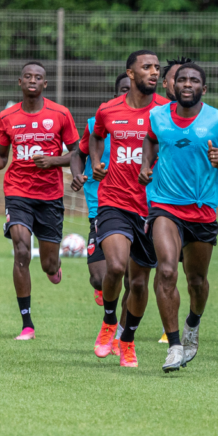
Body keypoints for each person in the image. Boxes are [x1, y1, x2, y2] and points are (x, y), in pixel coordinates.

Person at [140, 63, 218, 372]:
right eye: (182, 79)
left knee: (196, 282)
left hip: (202, 210)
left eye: (194, 80)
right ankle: (173, 346)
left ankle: (193, 323)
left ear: (204, 88)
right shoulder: (158, 116)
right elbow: (151, 139)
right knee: (168, 271)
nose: (187, 84)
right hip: (165, 205)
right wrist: (147, 165)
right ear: (173, 86)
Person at [80, 50, 169, 367]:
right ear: (130, 73)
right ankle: (108, 322)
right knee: (116, 267)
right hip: (115, 200)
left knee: (139, 282)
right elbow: (96, 135)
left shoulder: (167, 111)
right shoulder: (108, 110)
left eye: (157, 68)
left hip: (154, 205)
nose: (154, 72)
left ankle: (127, 340)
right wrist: (96, 162)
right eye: (147, 67)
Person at [0, 62, 79, 341]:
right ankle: (27, 323)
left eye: (38, 77)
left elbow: (77, 152)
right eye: (27, 76)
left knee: (48, 264)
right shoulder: (7, 117)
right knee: (21, 251)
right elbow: (3, 155)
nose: (32, 80)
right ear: (20, 82)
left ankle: (54, 268)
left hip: (50, 196)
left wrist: (55, 162)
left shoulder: (60, 114)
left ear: (45, 84)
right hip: (17, 192)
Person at [70, 73, 131, 314]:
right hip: (101, 207)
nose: (129, 93)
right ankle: (102, 289)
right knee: (99, 277)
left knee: (129, 275)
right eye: (124, 89)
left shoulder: (150, 122)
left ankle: (120, 332)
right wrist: (78, 174)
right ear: (115, 95)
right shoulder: (97, 122)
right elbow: (78, 154)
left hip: (138, 207)